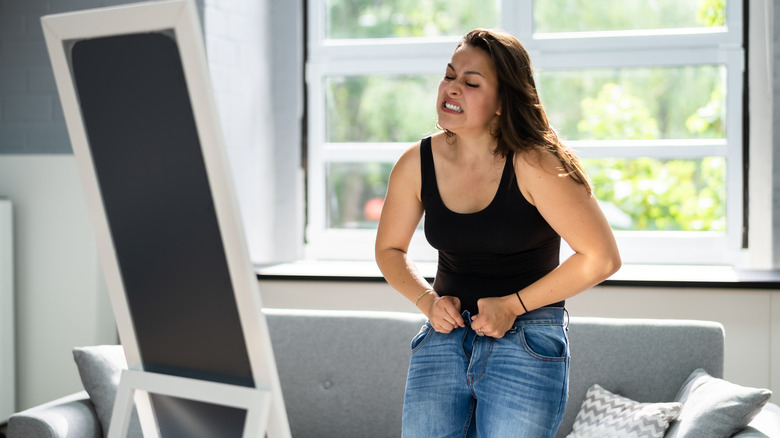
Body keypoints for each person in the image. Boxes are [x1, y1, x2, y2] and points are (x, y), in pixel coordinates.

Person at [374, 28, 621, 438]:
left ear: (504, 102)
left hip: (527, 340)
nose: (452, 88)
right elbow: (389, 248)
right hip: (445, 336)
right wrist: (427, 301)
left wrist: (513, 305)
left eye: (471, 83)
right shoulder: (417, 162)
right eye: (450, 75)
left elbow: (601, 258)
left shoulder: (535, 163)